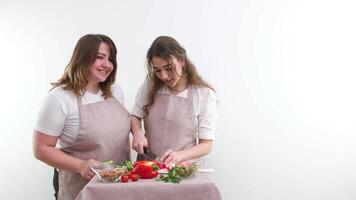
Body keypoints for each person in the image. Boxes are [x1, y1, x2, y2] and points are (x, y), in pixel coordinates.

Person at [33, 34, 130, 200]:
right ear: (82, 58)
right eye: (100, 57)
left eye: (111, 59)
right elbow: (40, 149)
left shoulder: (115, 91)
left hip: (120, 188)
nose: (107, 65)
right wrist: (80, 166)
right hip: (80, 190)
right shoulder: (59, 99)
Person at [131, 36, 218, 165]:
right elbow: (135, 115)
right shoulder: (150, 85)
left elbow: (206, 145)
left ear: (182, 61)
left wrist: (178, 156)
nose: (164, 76)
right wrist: (137, 133)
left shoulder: (204, 94)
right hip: (148, 164)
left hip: (182, 167)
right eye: (158, 71)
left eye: (169, 68)